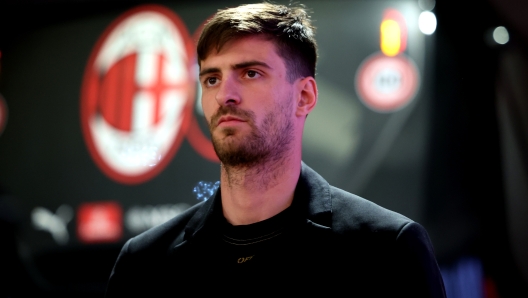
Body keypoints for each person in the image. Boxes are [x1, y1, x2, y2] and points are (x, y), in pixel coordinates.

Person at [105, 2, 446, 297]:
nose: (226, 95)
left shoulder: (385, 250)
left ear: (304, 96)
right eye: (212, 79)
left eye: (250, 73)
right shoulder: (144, 263)